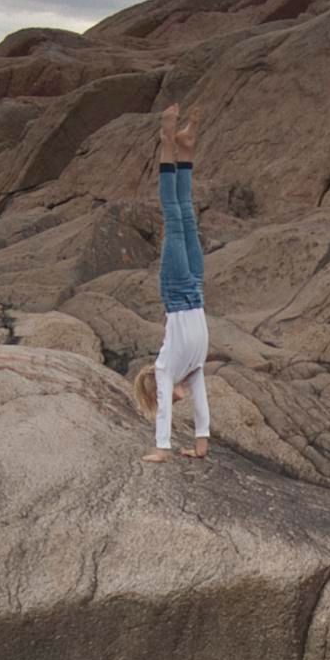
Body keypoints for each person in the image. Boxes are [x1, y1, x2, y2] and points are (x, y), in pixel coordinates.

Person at [135, 102, 210, 461]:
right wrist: (200, 444)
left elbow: (164, 410)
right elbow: (203, 406)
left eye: (163, 397)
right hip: (195, 287)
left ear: (158, 389)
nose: (175, 401)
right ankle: (185, 147)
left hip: (177, 292)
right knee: (188, 217)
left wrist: (161, 448)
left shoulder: (166, 370)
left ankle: (168, 138)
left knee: (174, 216)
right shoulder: (193, 369)